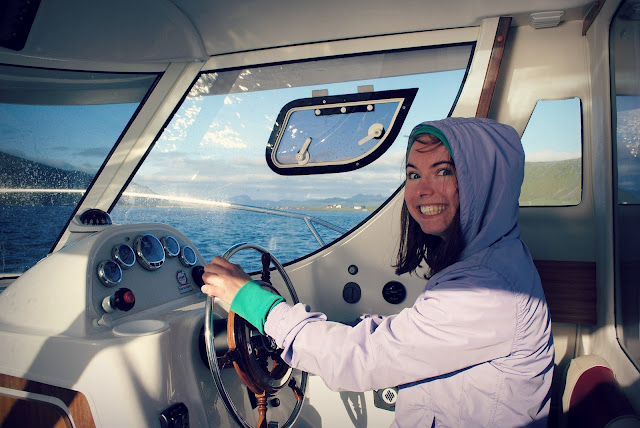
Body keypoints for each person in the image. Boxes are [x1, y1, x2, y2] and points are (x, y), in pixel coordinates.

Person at [201, 117, 555, 427]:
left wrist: (252, 301)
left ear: (487, 182)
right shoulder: (489, 260)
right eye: (413, 174)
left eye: (444, 171)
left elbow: (363, 359)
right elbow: (413, 336)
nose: (422, 190)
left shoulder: (488, 288)